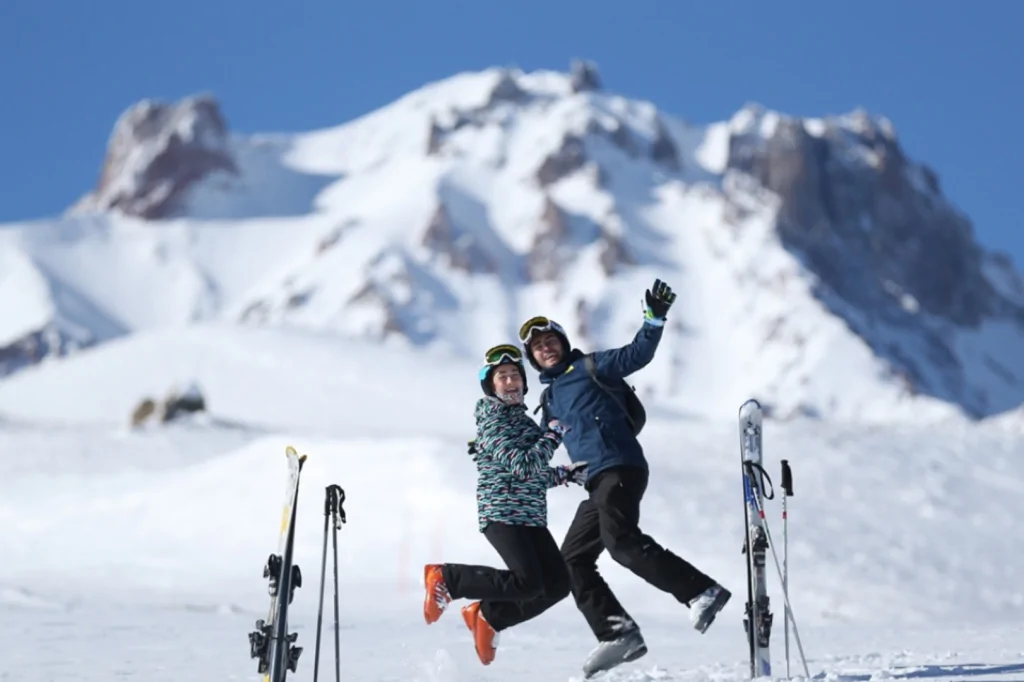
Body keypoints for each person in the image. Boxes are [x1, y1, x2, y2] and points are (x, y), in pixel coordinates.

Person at [518, 278, 732, 679]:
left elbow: (637, 354)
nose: (545, 347)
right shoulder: (547, 402)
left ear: (563, 343)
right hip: (593, 483)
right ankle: (618, 633)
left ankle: (701, 590)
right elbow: (536, 448)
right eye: (537, 346)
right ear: (533, 358)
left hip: (619, 467)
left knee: (621, 543)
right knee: (572, 562)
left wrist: (653, 320)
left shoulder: (592, 366)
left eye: (550, 340)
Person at [423, 343, 588, 666]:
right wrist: (553, 436)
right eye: (502, 377)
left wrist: (564, 475)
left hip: (530, 515)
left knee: (555, 585)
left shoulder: (525, 424)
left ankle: (489, 616)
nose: (511, 381)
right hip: (502, 513)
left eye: (515, 375)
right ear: (490, 385)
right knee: (527, 581)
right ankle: (447, 578)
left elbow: (531, 474)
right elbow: (524, 465)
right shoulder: (492, 420)